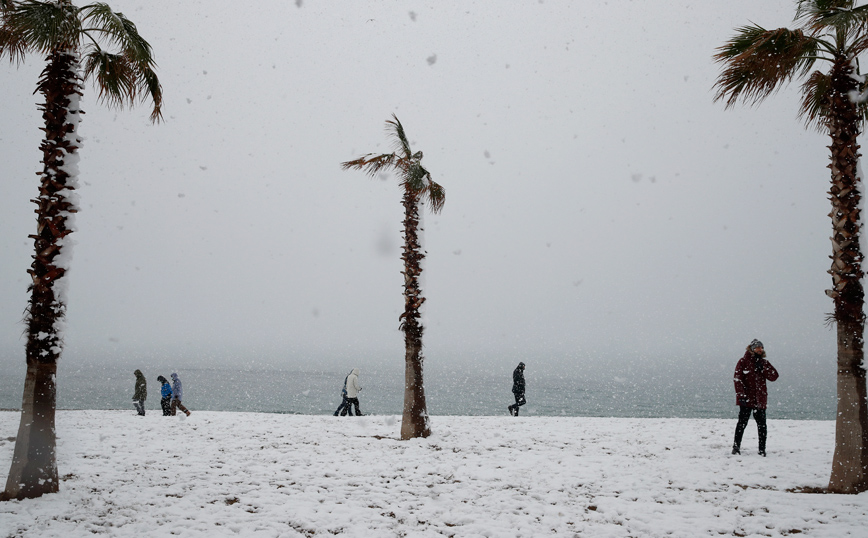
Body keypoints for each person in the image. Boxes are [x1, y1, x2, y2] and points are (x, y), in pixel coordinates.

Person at [732, 339, 779, 456]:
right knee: (742, 424)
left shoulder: (764, 363)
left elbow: (774, 376)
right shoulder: (743, 361)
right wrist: (741, 395)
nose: (760, 349)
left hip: (760, 400)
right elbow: (738, 379)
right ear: (752, 349)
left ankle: (762, 450)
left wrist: (763, 368)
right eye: (758, 347)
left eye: (761, 348)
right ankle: (736, 448)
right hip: (746, 399)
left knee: (762, 425)